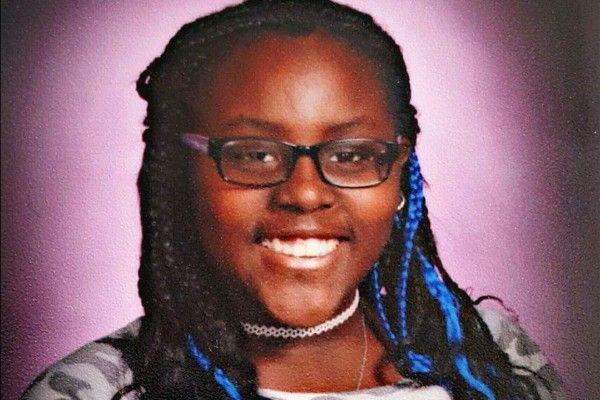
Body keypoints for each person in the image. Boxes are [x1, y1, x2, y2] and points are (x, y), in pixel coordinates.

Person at [21, 1, 565, 399]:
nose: (305, 193)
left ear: (400, 176)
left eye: (351, 155)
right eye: (254, 154)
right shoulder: (92, 391)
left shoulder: (491, 358)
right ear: (179, 179)